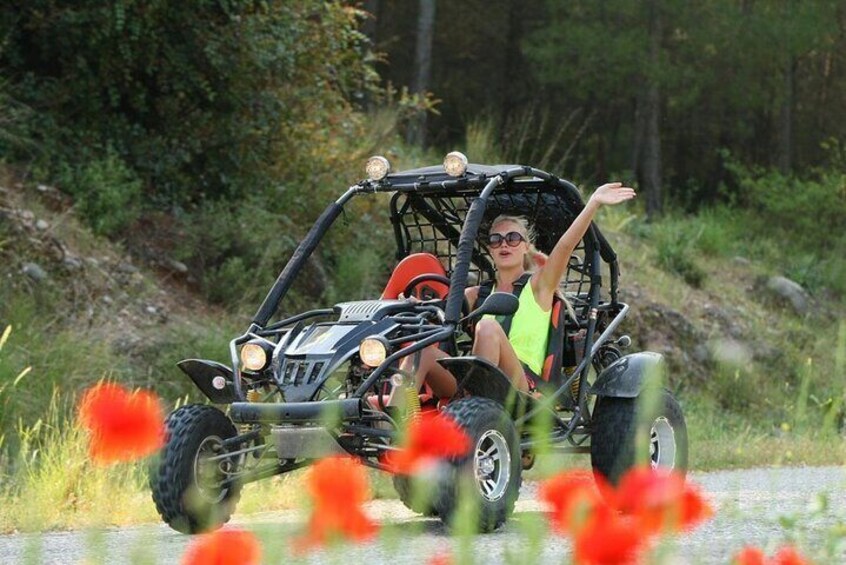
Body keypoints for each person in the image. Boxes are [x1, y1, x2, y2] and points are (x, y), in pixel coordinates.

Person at [401, 182, 636, 397]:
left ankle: (477, 406)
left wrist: (593, 203)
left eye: (513, 238)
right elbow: (438, 312)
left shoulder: (539, 286)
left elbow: (565, 246)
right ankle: (390, 419)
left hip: (522, 386)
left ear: (525, 246)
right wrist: (413, 306)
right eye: (496, 239)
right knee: (421, 351)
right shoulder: (476, 295)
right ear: (490, 250)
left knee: (488, 327)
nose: (504, 244)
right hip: (470, 385)